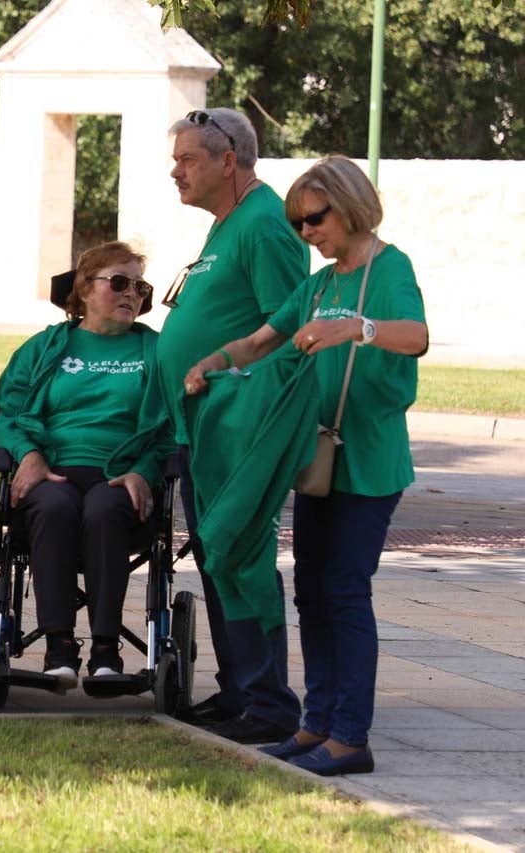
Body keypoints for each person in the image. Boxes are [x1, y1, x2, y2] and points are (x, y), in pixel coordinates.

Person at [185, 155, 429, 775]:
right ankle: (315, 724)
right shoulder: (320, 284)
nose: (306, 234)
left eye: (314, 219)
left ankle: (351, 737)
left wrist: (357, 330)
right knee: (312, 593)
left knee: (344, 593)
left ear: (348, 207)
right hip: (321, 459)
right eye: (298, 223)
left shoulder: (388, 268)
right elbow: (264, 339)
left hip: (369, 462)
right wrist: (214, 360)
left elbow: (416, 336)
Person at [159, 107, 307, 743]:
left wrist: (234, 395)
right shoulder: (227, 224)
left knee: (242, 560)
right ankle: (239, 690)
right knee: (220, 559)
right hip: (202, 429)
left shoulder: (265, 224)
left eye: (188, 159)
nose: (176, 171)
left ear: (229, 160)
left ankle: (269, 705)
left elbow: (287, 331)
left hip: (235, 430)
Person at [0, 241, 170, 686]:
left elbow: (172, 427)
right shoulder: (47, 346)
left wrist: (144, 471)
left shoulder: (156, 351)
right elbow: (6, 412)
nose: (132, 294)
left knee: (104, 510)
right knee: (53, 507)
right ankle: (59, 647)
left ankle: (106, 650)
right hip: (53, 469)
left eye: (140, 287)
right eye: (119, 282)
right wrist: (29, 455)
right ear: (85, 290)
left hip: (120, 474)